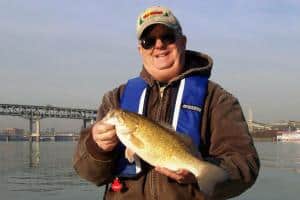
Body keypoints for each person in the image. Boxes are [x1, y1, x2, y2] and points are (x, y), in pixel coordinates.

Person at [73, 5, 260, 200]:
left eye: (167, 37)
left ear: (183, 42)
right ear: (140, 50)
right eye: (149, 41)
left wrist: (199, 171)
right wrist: (97, 147)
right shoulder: (115, 98)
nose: (159, 45)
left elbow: (246, 165)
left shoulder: (217, 99)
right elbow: (89, 173)